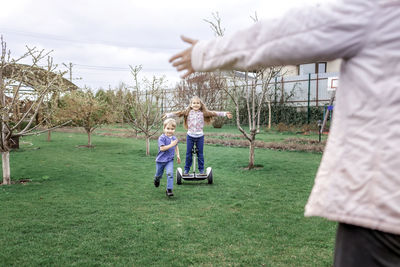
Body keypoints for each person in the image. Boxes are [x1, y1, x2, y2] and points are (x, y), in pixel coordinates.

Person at [169, 0, 400, 265]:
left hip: (380, 205)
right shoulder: (189, 112)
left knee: (198, 154)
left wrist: (205, 54)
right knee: (190, 156)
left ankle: (195, 169)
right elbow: (178, 113)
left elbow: (291, 33)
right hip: (386, 202)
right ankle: (188, 171)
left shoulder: (380, 9)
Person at [163, 96, 232, 175]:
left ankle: (201, 170)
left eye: (197, 103)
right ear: (191, 105)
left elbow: (214, 113)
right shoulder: (187, 112)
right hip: (190, 136)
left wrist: (225, 113)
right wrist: (168, 114)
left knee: (200, 154)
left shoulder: (203, 113)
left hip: (200, 137)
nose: (196, 105)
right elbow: (178, 113)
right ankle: (186, 170)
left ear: (200, 104)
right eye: (194, 103)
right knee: (189, 154)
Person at [154, 118, 181, 197]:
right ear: (164, 128)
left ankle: (169, 189)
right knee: (158, 175)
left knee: (170, 173)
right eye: (168, 128)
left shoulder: (174, 139)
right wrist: (171, 145)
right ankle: (156, 179)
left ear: (174, 129)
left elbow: (176, 147)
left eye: (172, 129)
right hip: (160, 160)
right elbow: (162, 148)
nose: (170, 131)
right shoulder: (161, 138)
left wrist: (178, 155)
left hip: (169, 160)